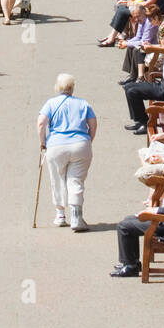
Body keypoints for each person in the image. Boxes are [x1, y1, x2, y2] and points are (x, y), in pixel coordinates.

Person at [38, 74, 97, 232]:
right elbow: (93, 124)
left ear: (57, 87)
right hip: (80, 144)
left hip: (56, 146)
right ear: (72, 87)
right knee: (76, 180)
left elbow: (41, 122)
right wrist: (88, 140)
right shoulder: (83, 103)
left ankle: (60, 215)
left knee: (57, 179)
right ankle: (76, 217)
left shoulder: (50, 103)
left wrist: (43, 142)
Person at [117, 3, 163, 82]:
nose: (136, 19)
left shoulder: (149, 22)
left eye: (138, 16)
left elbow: (144, 41)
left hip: (152, 46)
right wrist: (126, 42)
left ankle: (135, 77)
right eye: (134, 17)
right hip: (147, 45)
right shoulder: (141, 21)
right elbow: (138, 37)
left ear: (144, 12)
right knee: (130, 47)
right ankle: (132, 75)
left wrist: (127, 44)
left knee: (136, 50)